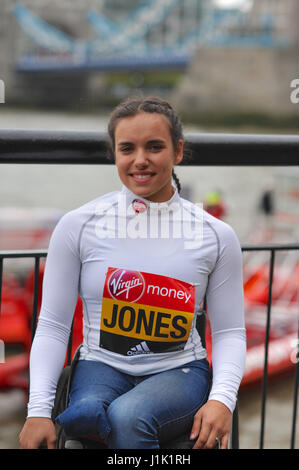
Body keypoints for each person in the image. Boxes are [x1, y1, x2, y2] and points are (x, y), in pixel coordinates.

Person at [19, 96, 246, 450]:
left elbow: (231, 332)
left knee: (128, 417)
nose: (140, 160)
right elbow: (52, 326)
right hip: (100, 365)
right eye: (128, 148)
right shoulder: (78, 226)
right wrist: (38, 411)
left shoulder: (216, 235)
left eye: (155, 147)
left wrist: (222, 400)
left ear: (178, 151)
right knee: (84, 416)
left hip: (179, 370)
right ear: (115, 154)